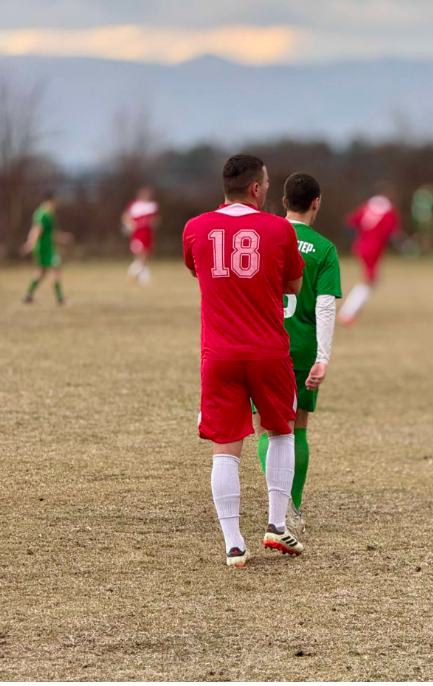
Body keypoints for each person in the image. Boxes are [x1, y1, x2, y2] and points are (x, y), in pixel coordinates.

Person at [182, 154, 304, 567]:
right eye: (266, 184)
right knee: (281, 432)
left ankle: (234, 543)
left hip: (219, 354)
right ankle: (276, 525)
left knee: (225, 449)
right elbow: (294, 283)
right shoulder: (279, 228)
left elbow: (199, 270)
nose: (267, 189)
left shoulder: (195, 227)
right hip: (269, 351)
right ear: (255, 188)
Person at [252, 173, 342, 534]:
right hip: (302, 347)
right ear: (316, 203)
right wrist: (323, 356)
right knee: (297, 427)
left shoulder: (263, 236)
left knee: (268, 429)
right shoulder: (324, 249)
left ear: (284, 202)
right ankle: (294, 507)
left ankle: (281, 504)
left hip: (264, 344)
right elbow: (325, 307)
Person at [338, 186, 402, 325]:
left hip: (361, 246)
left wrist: (358, 237)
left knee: (372, 280)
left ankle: (350, 312)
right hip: (373, 249)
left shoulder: (367, 206)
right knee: (368, 281)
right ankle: (347, 313)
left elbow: (351, 221)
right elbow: (392, 233)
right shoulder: (389, 211)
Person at [21, 192, 73, 306]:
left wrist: (62, 238)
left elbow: (50, 233)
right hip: (44, 248)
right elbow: (36, 229)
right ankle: (60, 300)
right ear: (49, 201)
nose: (55, 205)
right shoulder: (43, 214)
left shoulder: (47, 214)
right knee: (56, 269)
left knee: (42, 272)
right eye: (55, 202)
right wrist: (31, 243)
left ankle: (28, 296)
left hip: (47, 247)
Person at [123, 186, 161, 285]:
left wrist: (153, 223)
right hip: (137, 233)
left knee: (146, 254)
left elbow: (156, 219)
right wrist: (130, 225)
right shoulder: (134, 205)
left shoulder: (152, 205)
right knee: (140, 253)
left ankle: (136, 273)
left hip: (147, 233)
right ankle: (142, 276)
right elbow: (126, 216)